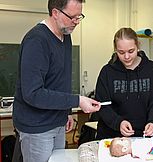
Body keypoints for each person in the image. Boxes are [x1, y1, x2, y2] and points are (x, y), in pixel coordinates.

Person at [12, 0, 101, 162]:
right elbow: (33, 93)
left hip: (57, 123)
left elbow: (60, 80)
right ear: (55, 13)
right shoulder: (37, 40)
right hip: (37, 128)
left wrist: (66, 111)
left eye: (79, 16)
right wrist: (77, 100)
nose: (76, 22)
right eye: (72, 17)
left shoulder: (65, 35)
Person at [94, 27, 153, 139]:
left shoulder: (152, 69)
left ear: (138, 46)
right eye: (121, 52)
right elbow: (102, 105)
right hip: (111, 136)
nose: (126, 57)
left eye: (131, 51)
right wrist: (118, 123)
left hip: (143, 137)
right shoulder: (107, 72)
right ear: (115, 50)